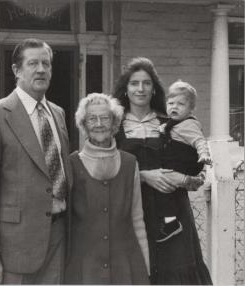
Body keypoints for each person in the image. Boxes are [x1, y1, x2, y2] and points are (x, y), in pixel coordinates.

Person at [0, 38, 72, 284]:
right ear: (16, 70)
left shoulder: (58, 114)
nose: (41, 69)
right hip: (14, 247)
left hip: (59, 237)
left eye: (46, 64)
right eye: (33, 63)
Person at [114, 57, 212, 284]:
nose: (140, 88)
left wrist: (185, 179)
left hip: (174, 214)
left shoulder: (174, 123)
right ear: (125, 89)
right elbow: (106, 170)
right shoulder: (114, 126)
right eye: (134, 83)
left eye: (146, 83)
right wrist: (144, 176)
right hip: (132, 212)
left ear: (154, 89)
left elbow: (197, 173)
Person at [64, 93, 150, 285]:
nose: (99, 123)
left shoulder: (130, 163)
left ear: (114, 123)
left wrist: (145, 268)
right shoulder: (71, 163)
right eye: (92, 118)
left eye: (105, 118)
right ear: (84, 125)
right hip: (83, 269)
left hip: (124, 267)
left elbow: (137, 220)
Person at [156, 79, 212, 243]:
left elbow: (199, 141)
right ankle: (170, 221)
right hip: (175, 163)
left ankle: (171, 223)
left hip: (184, 164)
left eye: (181, 104)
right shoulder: (172, 124)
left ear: (190, 109)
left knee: (163, 189)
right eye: (171, 102)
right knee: (167, 192)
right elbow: (166, 131)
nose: (174, 107)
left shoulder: (189, 124)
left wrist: (204, 154)